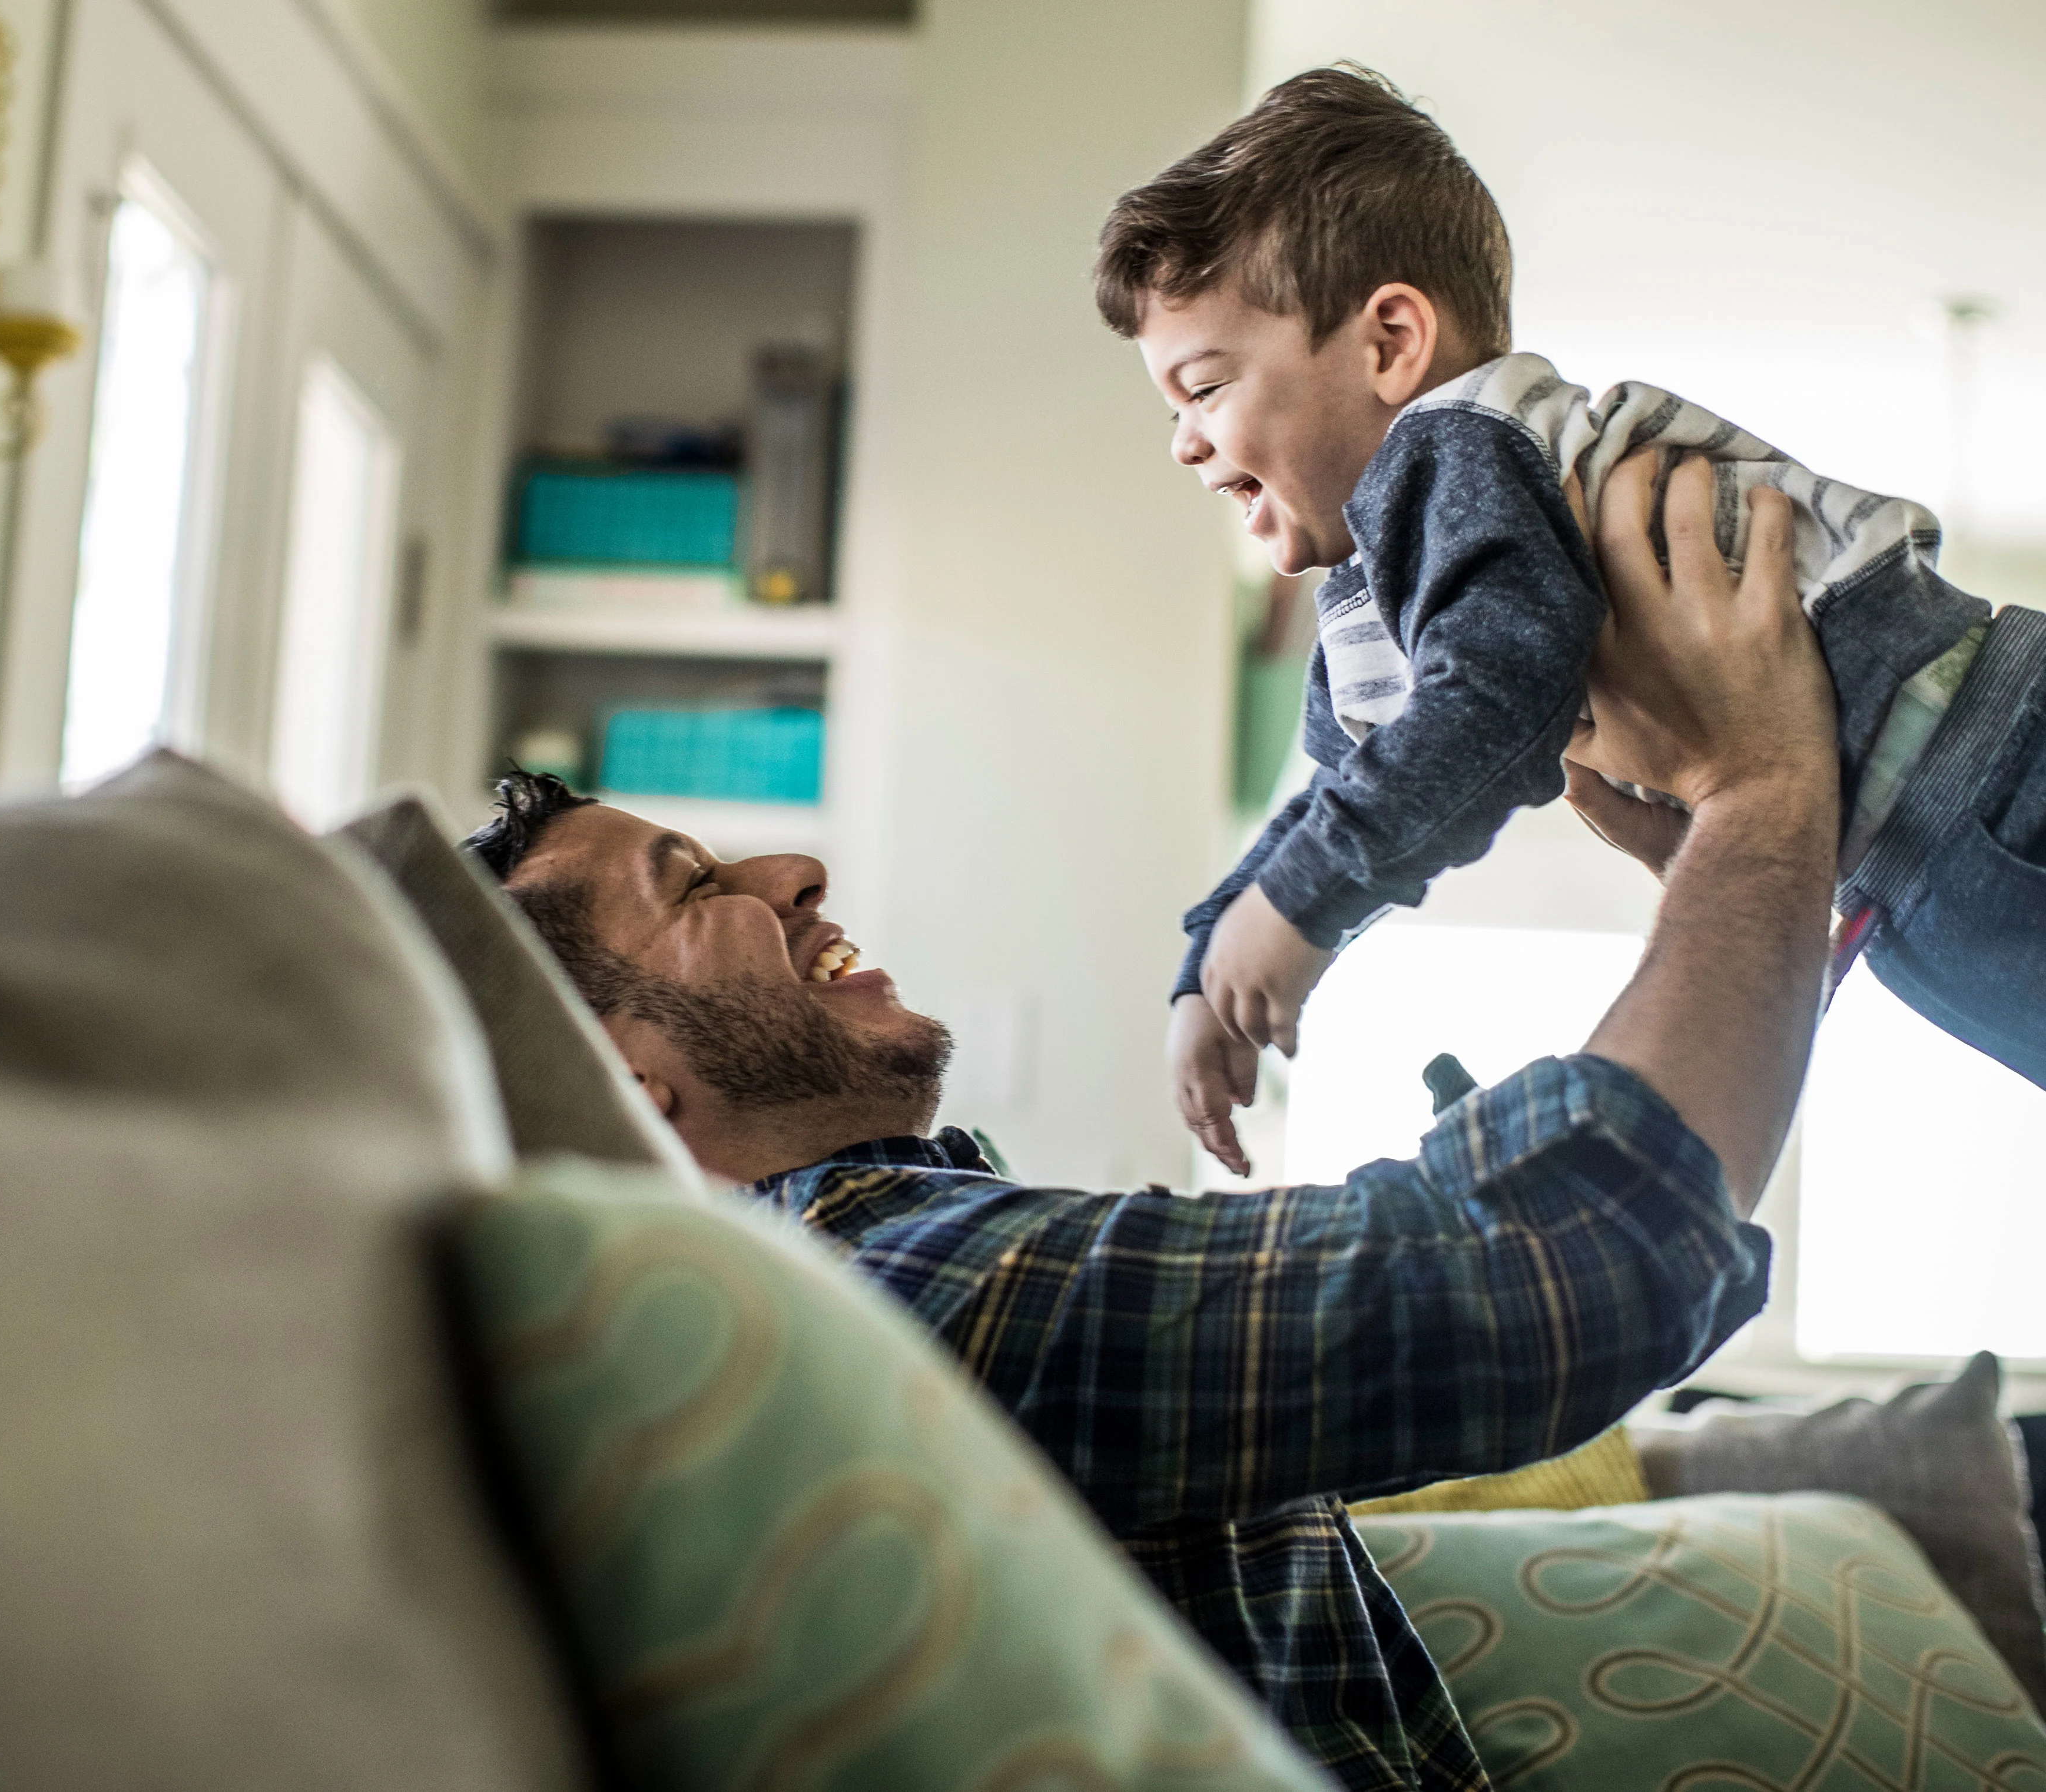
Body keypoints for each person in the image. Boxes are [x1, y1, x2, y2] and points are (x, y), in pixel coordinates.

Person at [465, 462, 1833, 1792]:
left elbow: (1588, 1251)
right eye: (696, 886)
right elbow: (1561, 1266)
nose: (796, 872)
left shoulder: (891, 1274)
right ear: (622, 1091)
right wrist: (1764, 793)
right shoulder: (894, 1289)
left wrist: (1749, 895)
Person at [1103, 63, 2046, 1303]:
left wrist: (1295, 912)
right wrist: (1213, 955)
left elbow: (1495, 708)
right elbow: (1349, 786)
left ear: (1391, 343)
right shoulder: (1374, 575)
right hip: (1925, 874)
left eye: (1207, 386)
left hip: (2015, 778)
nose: (1182, 441)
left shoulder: (1456, 455)